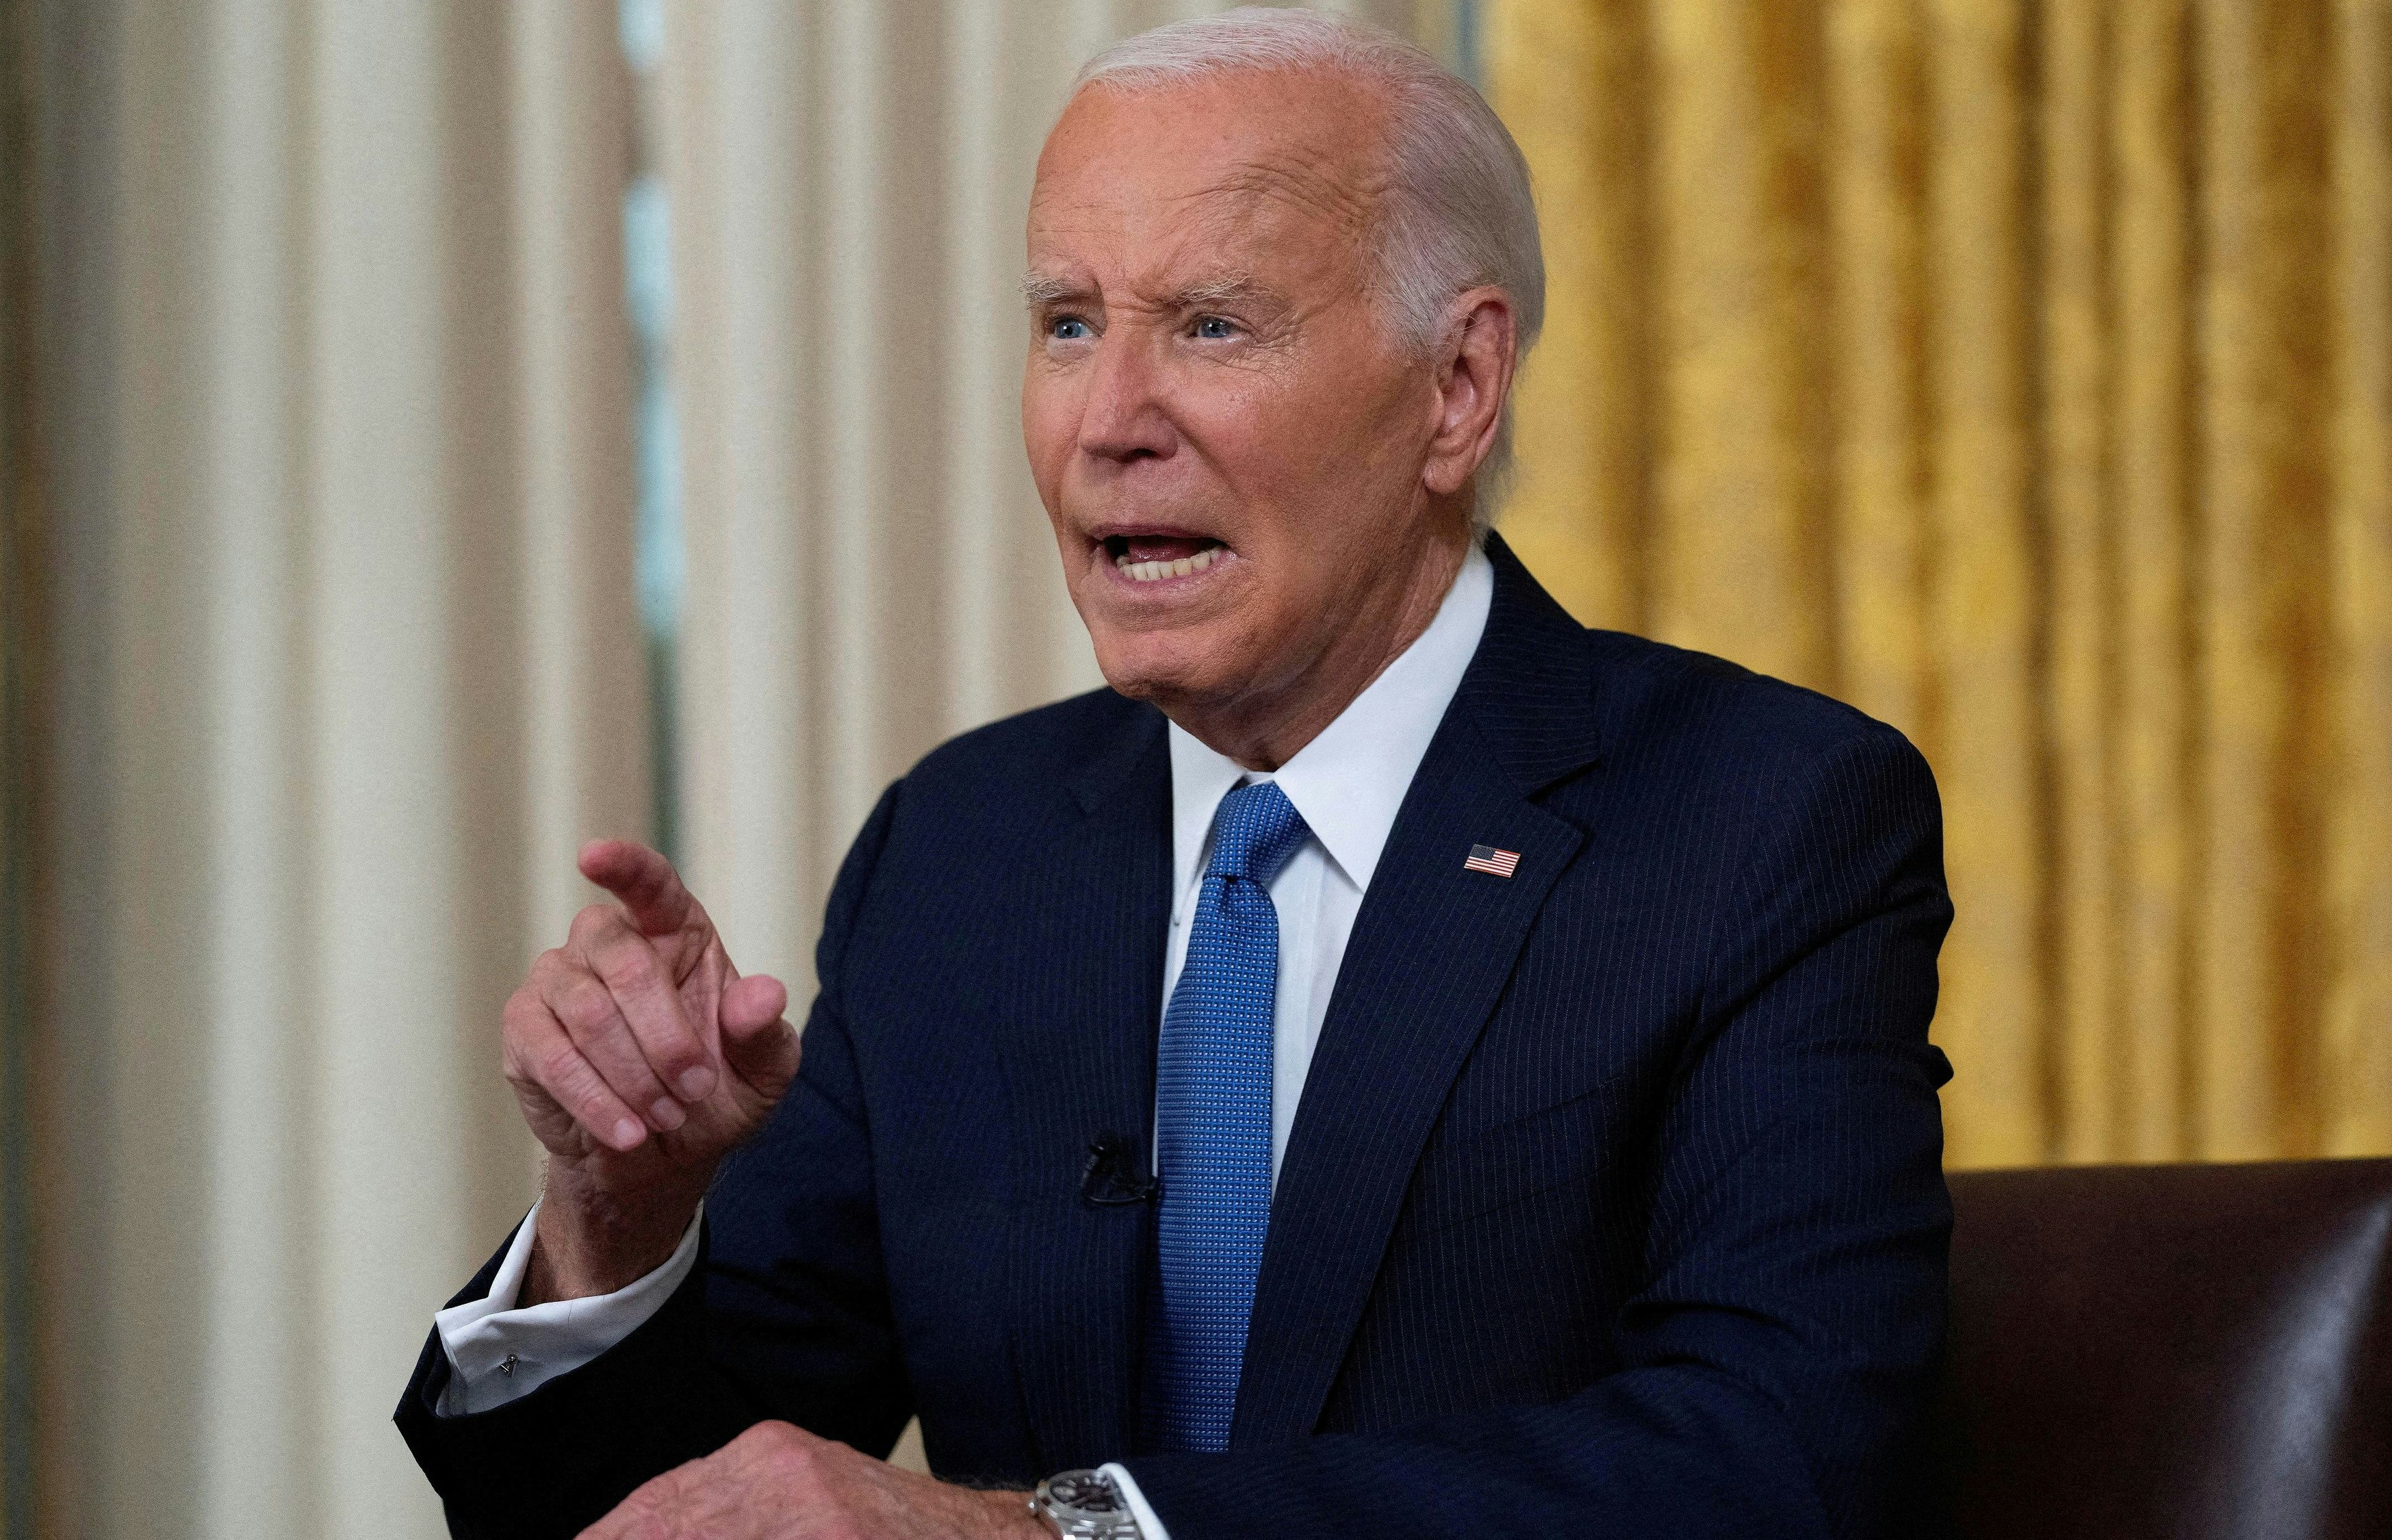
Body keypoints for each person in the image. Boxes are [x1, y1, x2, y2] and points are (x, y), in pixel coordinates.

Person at [394, 10, 1954, 1539]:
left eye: (1210, 323)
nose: (1108, 422)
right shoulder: (964, 850)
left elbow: (1777, 1461)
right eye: (1068, 323)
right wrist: (616, 1218)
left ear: (1455, 387)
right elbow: (676, 1507)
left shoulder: (1758, 819)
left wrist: (1058, 1535)